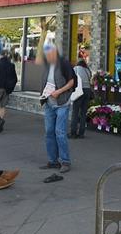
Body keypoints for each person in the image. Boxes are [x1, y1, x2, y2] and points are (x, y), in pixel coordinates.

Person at [38, 41, 76, 178]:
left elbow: (71, 82)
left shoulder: (64, 63)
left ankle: (65, 161)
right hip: (49, 103)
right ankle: (53, 161)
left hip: (62, 103)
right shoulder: (48, 65)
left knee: (59, 132)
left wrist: (59, 91)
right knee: (49, 132)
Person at [69, 59, 92, 138]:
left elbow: (71, 79)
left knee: (75, 112)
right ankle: (81, 133)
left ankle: (73, 133)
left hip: (79, 91)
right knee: (83, 113)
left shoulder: (76, 68)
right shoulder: (87, 70)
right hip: (87, 91)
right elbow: (90, 79)